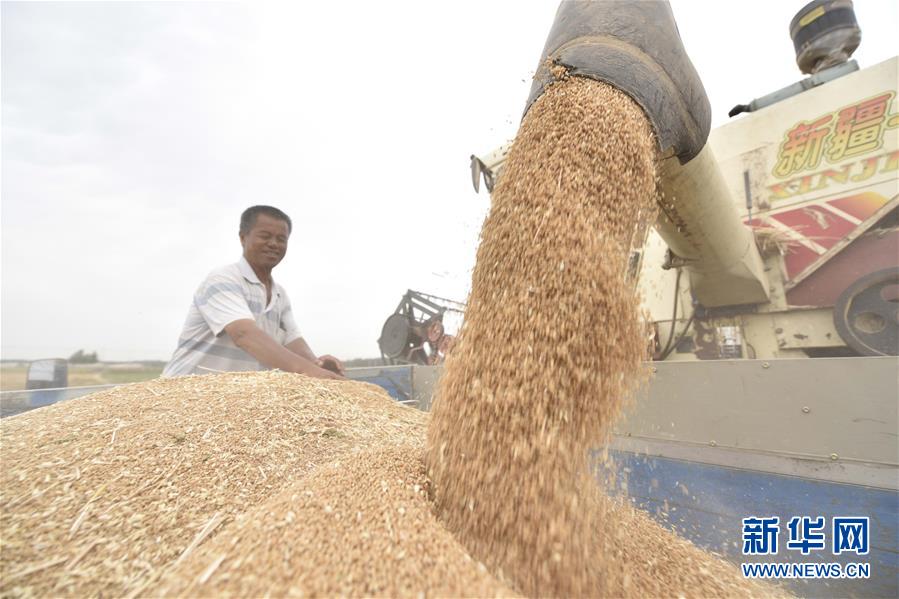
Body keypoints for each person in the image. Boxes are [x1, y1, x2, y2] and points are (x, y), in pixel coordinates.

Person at [162, 205, 344, 380]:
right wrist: (308, 370)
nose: (273, 244)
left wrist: (316, 364)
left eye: (281, 239)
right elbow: (243, 334)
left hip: (234, 399)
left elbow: (292, 340)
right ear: (243, 238)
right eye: (265, 236)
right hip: (189, 393)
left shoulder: (280, 294)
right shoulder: (223, 279)